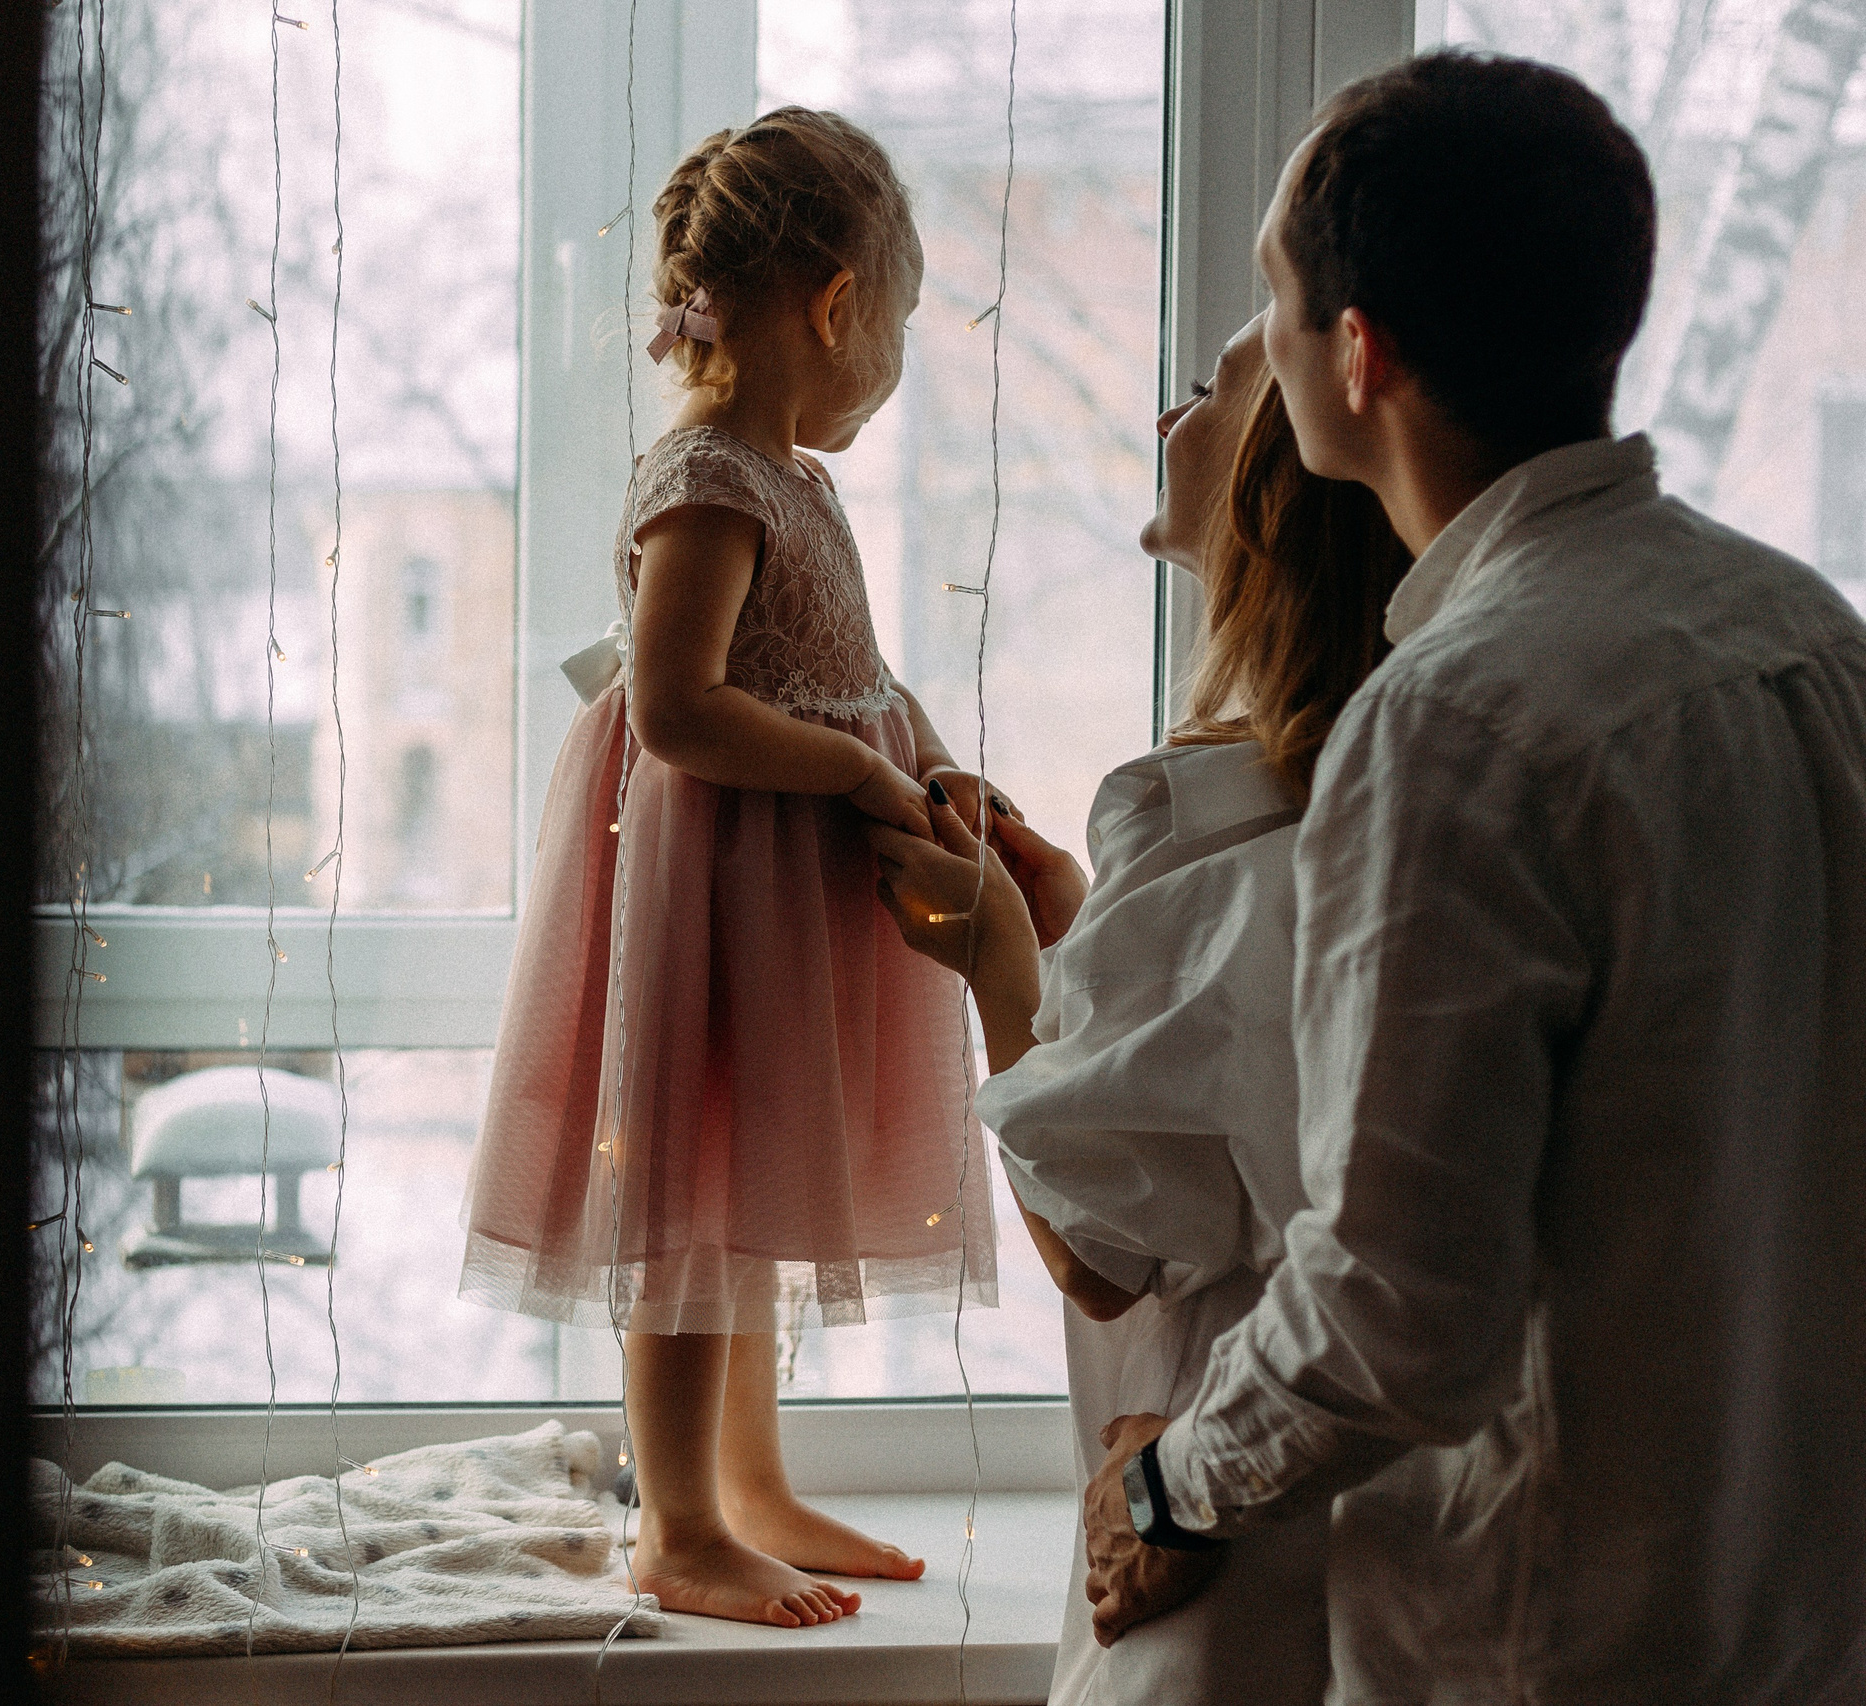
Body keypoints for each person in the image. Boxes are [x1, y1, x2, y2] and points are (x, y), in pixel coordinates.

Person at [899, 50, 1866, 1703]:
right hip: (1803, 1624)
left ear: (1360, 355)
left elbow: (1398, 1312)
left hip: (1544, 1645)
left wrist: (1162, 1482)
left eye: (1276, 301)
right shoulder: (1811, 642)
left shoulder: (1461, 724)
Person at [455, 107, 1004, 1630]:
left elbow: (843, 666)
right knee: (689, 1206)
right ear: (836, 303)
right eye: (887, 324)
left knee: (755, 1196)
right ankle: (681, 1520)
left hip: (786, 906)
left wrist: (929, 756)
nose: (886, 363)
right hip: (710, 900)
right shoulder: (706, 479)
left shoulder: (790, 481)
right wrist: (851, 766)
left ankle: (752, 1483)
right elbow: (680, 705)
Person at [944, 303, 1413, 1706]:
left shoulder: (1196, 811)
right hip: (1380, 1527)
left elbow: (1101, 1245)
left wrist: (998, 967)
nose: (1169, 422)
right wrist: (1088, 933)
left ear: (1273, 490)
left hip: (1209, 1518)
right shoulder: (1392, 795)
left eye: (1206, 391)